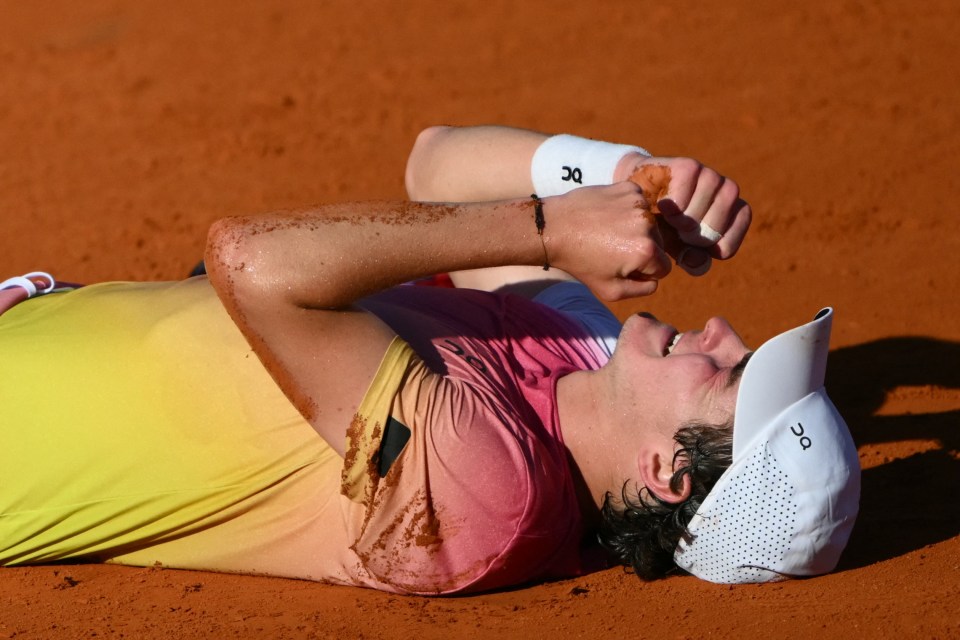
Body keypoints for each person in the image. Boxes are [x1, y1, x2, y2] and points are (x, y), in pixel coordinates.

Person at [0, 126, 859, 593]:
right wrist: (622, 174)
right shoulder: (570, 352)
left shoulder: (487, 493)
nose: (720, 329)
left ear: (668, 471)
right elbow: (437, 160)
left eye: (729, 372)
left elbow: (252, 262)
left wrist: (554, 230)